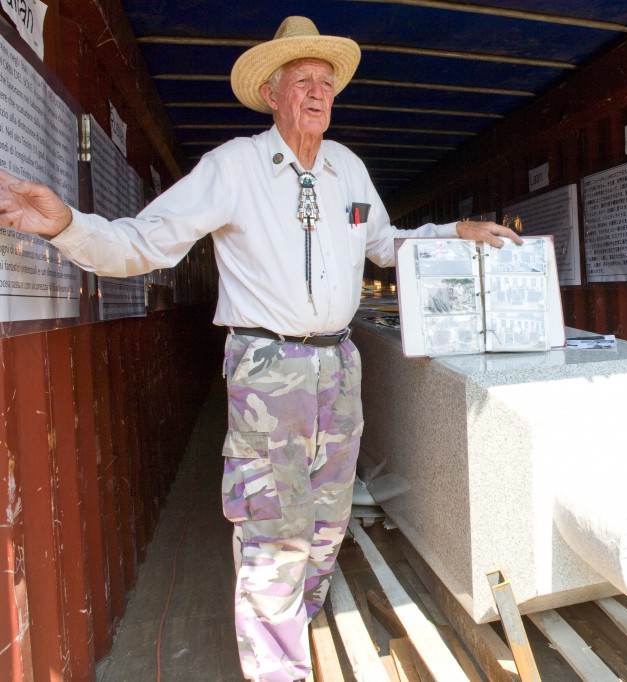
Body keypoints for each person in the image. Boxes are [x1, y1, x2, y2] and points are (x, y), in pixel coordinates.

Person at [0, 15, 521, 682]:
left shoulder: (348, 170)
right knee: (276, 535)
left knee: (328, 523)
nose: (317, 92)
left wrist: (456, 232)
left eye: (326, 82)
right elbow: (145, 241)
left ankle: (291, 629)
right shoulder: (234, 166)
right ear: (271, 92)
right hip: (267, 366)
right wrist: (70, 226)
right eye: (302, 80)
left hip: (340, 364)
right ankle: (278, 670)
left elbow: (388, 246)